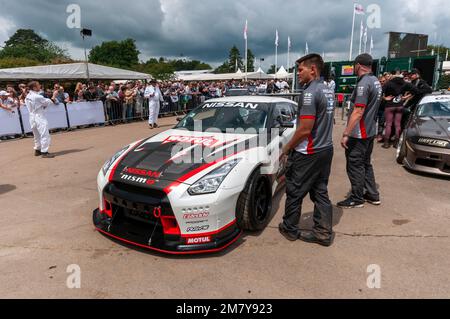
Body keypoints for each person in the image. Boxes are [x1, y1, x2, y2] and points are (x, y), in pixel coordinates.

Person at [279, 53, 336, 247]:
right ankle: (322, 232)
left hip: (309, 152)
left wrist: (286, 149)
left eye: (300, 69)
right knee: (320, 191)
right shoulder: (328, 89)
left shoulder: (310, 92)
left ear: (313, 69)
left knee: (294, 191)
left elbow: (304, 129)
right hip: (325, 148)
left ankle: (289, 228)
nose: (298, 74)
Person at [338, 54, 382, 209]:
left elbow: (358, 111)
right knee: (365, 163)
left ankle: (357, 198)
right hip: (370, 131)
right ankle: (372, 194)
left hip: (360, 132)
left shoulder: (364, 83)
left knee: (354, 164)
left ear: (358, 65)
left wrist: (346, 134)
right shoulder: (376, 81)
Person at [25, 81, 58, 158]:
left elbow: (41, 105)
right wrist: (54, 95)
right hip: (39, 116)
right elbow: (49, 102)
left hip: (32, 116)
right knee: (44, 134)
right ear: (34, 87)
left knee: (36, 135)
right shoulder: (37, 97)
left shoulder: (28, 96)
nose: (39, 86)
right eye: (38, 85)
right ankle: (44, 152)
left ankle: (37, 150)